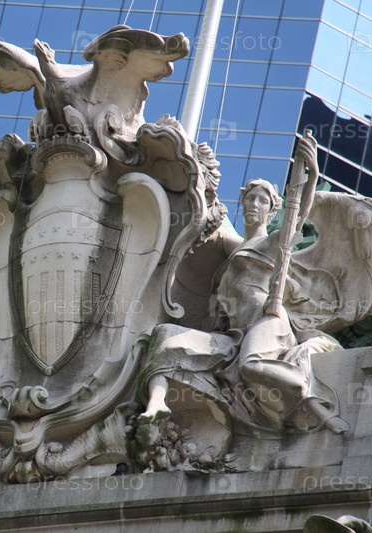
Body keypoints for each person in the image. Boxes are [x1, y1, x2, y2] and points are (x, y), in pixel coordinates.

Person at [138, 133, 349, 434]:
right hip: (234, 334)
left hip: (266, 321)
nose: (254, 204)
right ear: (241, 201)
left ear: (272, 211)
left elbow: (299, 215)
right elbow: (204, 221)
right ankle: (157, 402)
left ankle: (306, 391)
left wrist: (312, 175)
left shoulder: (271, 242)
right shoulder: (235, 246)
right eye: (250, 198)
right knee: (165, 337)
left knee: (250, 366)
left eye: (263, 200)